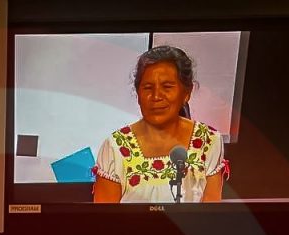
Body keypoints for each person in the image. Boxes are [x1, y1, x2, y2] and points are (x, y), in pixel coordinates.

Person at [93, 46, 227, 204]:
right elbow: (104, 217)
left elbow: (211, 214)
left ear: (186, 92)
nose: (156, 96)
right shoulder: (116, 146)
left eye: (167, 87)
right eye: (148, 88)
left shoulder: (208, 141)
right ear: (138, 93)